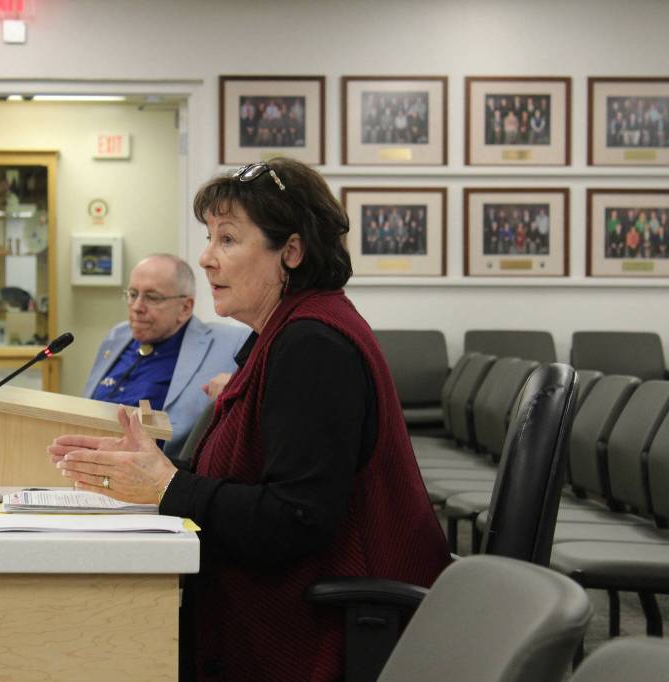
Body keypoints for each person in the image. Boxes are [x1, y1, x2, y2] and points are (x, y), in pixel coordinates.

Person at [52, 158, 450, 681]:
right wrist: (149, 471)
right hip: (278, 607)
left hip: (313, 634)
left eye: (228, 240)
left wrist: (168, 485)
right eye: (210, 238)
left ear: (291, 251)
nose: (207, 258)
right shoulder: (288, 332)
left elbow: (294, 520)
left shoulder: (313, 344)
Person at [82, 254, 249, 458]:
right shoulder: (118, 335)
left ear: (185, 308)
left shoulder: (231, 344)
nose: (137, 307)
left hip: (160, 474)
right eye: (133, 294)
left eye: (152, 297)